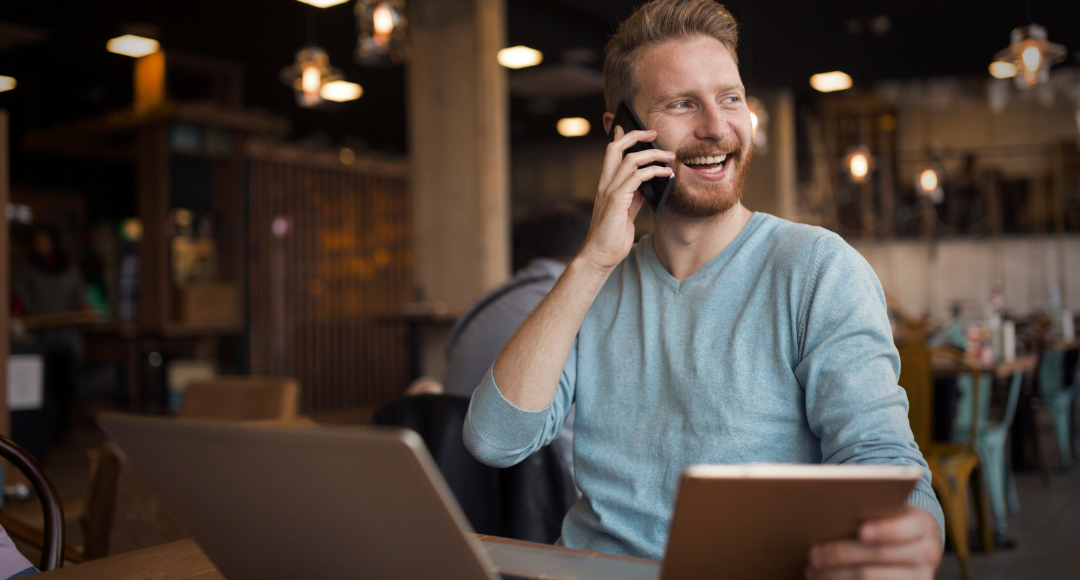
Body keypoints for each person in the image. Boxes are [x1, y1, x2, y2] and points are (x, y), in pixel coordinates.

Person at [463, 1, 945, 578]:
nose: (717, 127)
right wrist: (592, 261)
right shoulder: (596, 283)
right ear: (622, 134)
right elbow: (494, 440)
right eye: (682, 104)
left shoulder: (817, 268)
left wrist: (912, 531)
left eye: (731, 98)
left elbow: (881, 456)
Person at [444, 203, 592, 479]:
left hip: (455, 477)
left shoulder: (486, 302)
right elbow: (576, 443)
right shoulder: (574, 308)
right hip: (529, 492)